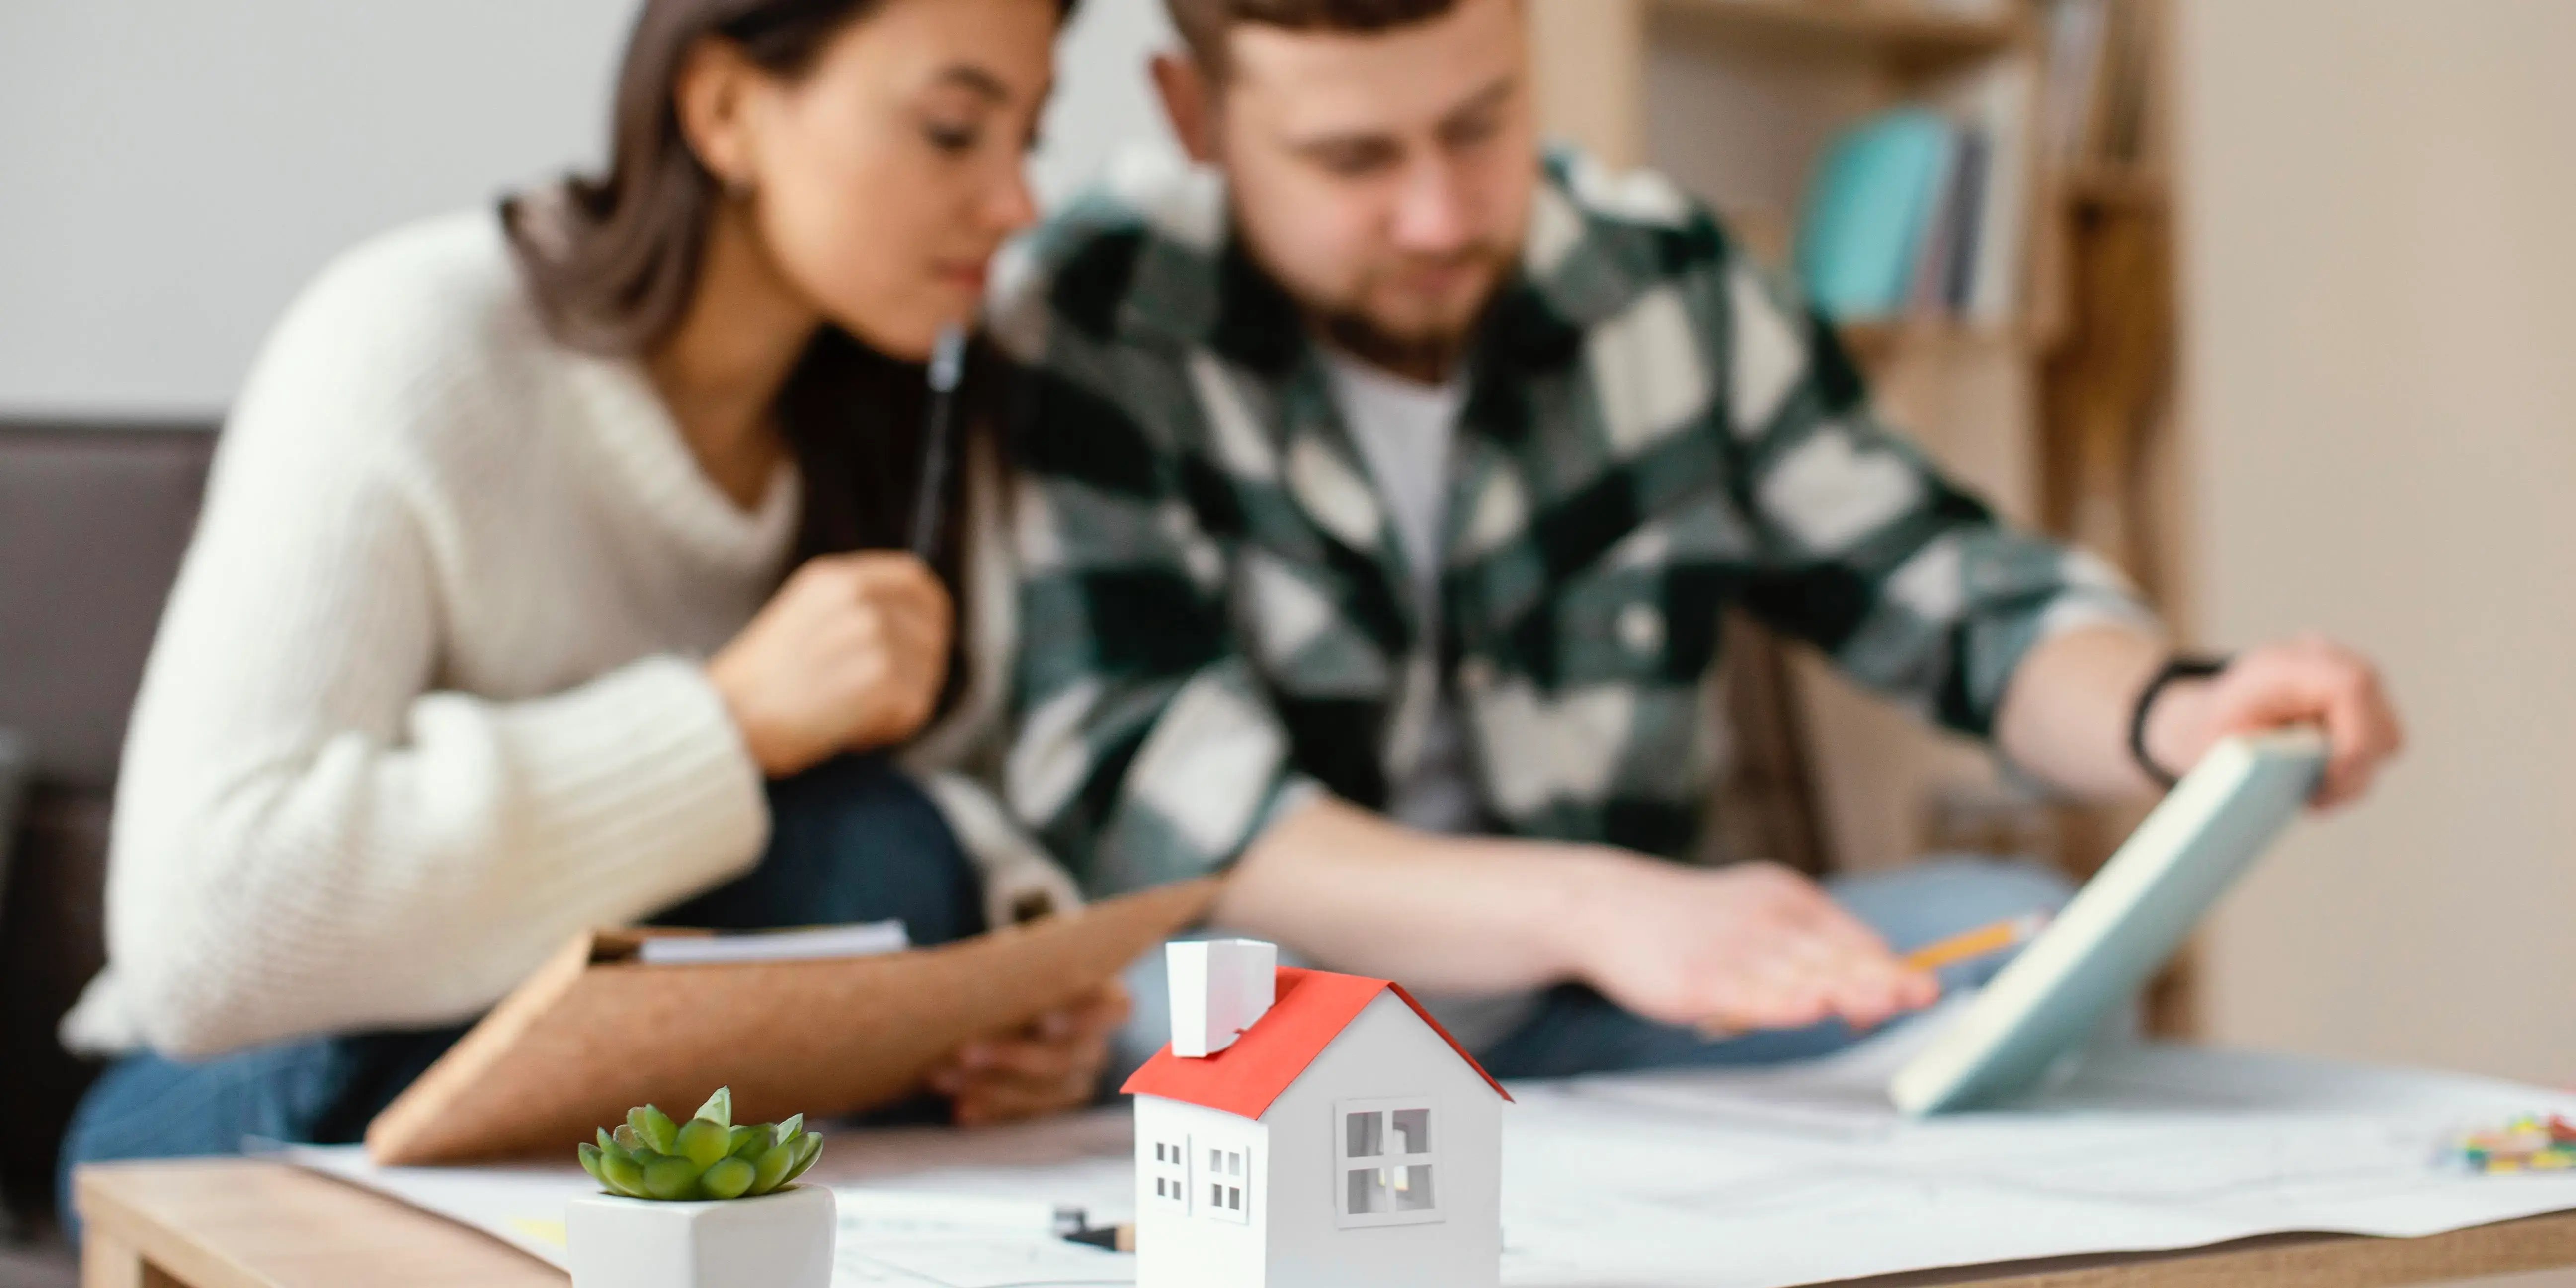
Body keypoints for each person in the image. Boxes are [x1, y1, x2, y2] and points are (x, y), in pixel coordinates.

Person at [994, 0, 2406, 1078]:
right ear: (1193, 111)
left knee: (2024, 935)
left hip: (1610, 1010)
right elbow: (1177, 808)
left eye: (1480, 123)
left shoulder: (1665, 279)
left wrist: (2175, 710)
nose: (1437, 211)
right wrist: (1605, 908)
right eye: (1353, 157)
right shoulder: (1096, 315)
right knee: (1096, 1047)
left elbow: (1937, 584)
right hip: (1274, 1027)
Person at [57, 0, 1122, 1216]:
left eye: (1030, 140)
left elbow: (922, 823)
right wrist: (723, 728)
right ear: (724, 108)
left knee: (884, 853)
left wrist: (1006, 993)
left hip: (621, 1107)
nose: (1018, 204)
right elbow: (210, 934)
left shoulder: (911, 409)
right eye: (951, 131)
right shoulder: (417, 338)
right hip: (246, 1083)